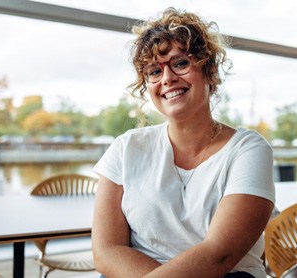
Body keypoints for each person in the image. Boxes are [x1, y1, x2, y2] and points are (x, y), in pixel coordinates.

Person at [92, 7, 275, 278]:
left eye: (180, 63)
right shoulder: (125, 148)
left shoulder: (248, 149)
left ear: (210, 71)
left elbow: (218, 254)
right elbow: (106, 251)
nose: (167, 78)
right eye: (154, 71)